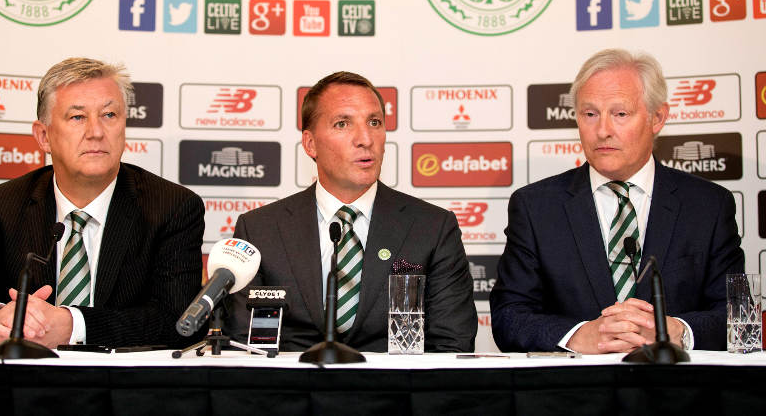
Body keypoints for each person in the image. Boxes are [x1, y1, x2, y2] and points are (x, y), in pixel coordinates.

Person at [489, 49, 743, 353]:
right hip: (576, 394)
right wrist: (578, 336)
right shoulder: (536, 207)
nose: (603, 130)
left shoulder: (708, 206)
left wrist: (678, 331)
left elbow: (734, 315)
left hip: (675, 392)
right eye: (590, 114)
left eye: (620, 114)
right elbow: (509, 316)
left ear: (658, 117)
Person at [0, 58, 205, 349]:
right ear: (44, 136)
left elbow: (179, 322)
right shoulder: (1, 206)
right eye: (77, 117)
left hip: (123, 387)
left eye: (109, 115)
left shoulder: (172, 208)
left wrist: (72, 325)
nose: (96, 131)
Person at [226, 71, 477, 352]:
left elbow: (451, 344)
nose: (365, 139)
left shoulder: (432, 228)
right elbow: (245, 345)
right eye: (342, 124)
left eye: (374, 122)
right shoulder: (260, 230)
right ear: (310, 144)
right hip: (295, 390)